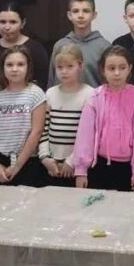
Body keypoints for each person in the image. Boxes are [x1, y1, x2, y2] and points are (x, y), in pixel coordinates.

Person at [73, 46, 134, 191]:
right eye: (111, 68)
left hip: (128, 168)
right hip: (99, 166)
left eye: (122, 68)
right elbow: (85, 135)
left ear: (129, 68)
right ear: (103, 70)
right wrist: (81, 170)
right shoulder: (95, 97)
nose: (117, 73)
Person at [0, 46, 47, 187]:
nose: (14, 69)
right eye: (9, 65)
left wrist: (17, 166)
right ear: (3, 68)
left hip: (27, 161)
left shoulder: (36, 94)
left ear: (28, 67)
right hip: (0, 160)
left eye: (20, 64)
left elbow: (36, 131)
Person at [38, 44, 95, 188]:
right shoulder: (50, 93)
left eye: (70, 66)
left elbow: (89, 135)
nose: (64, 71)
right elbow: (44, 128)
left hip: (76, 165)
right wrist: (45, 158)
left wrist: (72, 161)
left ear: (80, 66)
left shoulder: (89, 94)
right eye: (60, 67)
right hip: (52, 164)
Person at [48, 0, 111, 88]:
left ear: (94, 15)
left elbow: (110, 83)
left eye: (86, 11)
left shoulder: (104, 47)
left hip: (95, 97)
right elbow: (52, 81)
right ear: (69, 15)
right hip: (64, 97)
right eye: (76, 11)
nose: (80, 15)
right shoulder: (60, 46)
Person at [0, 1, 50, 90]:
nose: (7, 27)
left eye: (13, 22)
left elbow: (42, 82)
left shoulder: (36, 49)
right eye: (2, 22)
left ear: (23, 23)